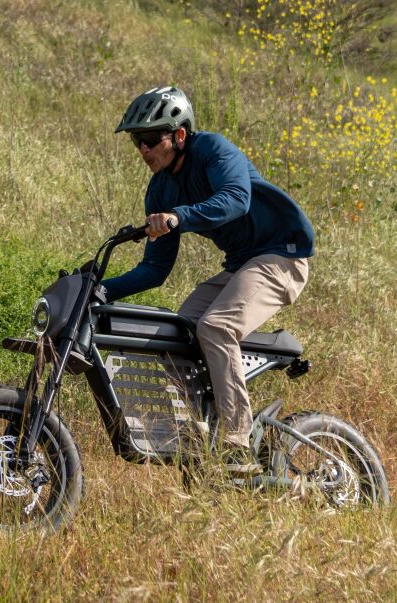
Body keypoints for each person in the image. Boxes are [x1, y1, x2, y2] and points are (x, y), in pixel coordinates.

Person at [100, 86, 315, 474]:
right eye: (137, 142)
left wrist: (178, 217)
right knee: (174, 333)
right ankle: (200, 431)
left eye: (151, 140)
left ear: (179, 135)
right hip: (242, 265)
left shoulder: (214, 151)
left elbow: (237, 199)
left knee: (216, 327)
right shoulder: (160, 188)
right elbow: (155, 270)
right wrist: (99, 288)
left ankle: (234, 442)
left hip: (282, 256)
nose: (143, 150)